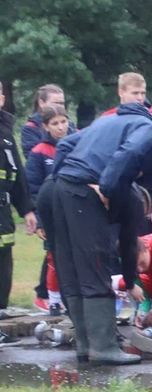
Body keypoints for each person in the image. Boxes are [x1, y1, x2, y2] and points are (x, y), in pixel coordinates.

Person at [47, 93, 152, 364]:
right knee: (95, 266)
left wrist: (56, 180)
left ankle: (85, 345)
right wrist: (107, 189)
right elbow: (130, 152)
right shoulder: (147, 128)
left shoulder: (105, 121)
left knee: (72, 267)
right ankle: (104, 347)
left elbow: (64, 146)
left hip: (59, 190)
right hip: (84, 192)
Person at [26, 105, 72, 315]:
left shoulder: (77, 144)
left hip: (74, 210)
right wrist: (39, 219)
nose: (61, 127)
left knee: (75, 255)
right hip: (51, 212)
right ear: (45, 126)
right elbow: (33, 188)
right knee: (54, 256)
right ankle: (52, 299)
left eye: (63, 122)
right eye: (55, 124)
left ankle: (71, 296)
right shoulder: (39, 152)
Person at [1, 78, 38, 325]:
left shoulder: (5, 131)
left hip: (2, 211)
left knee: (4, 263)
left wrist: (26, 209)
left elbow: (17, 173)